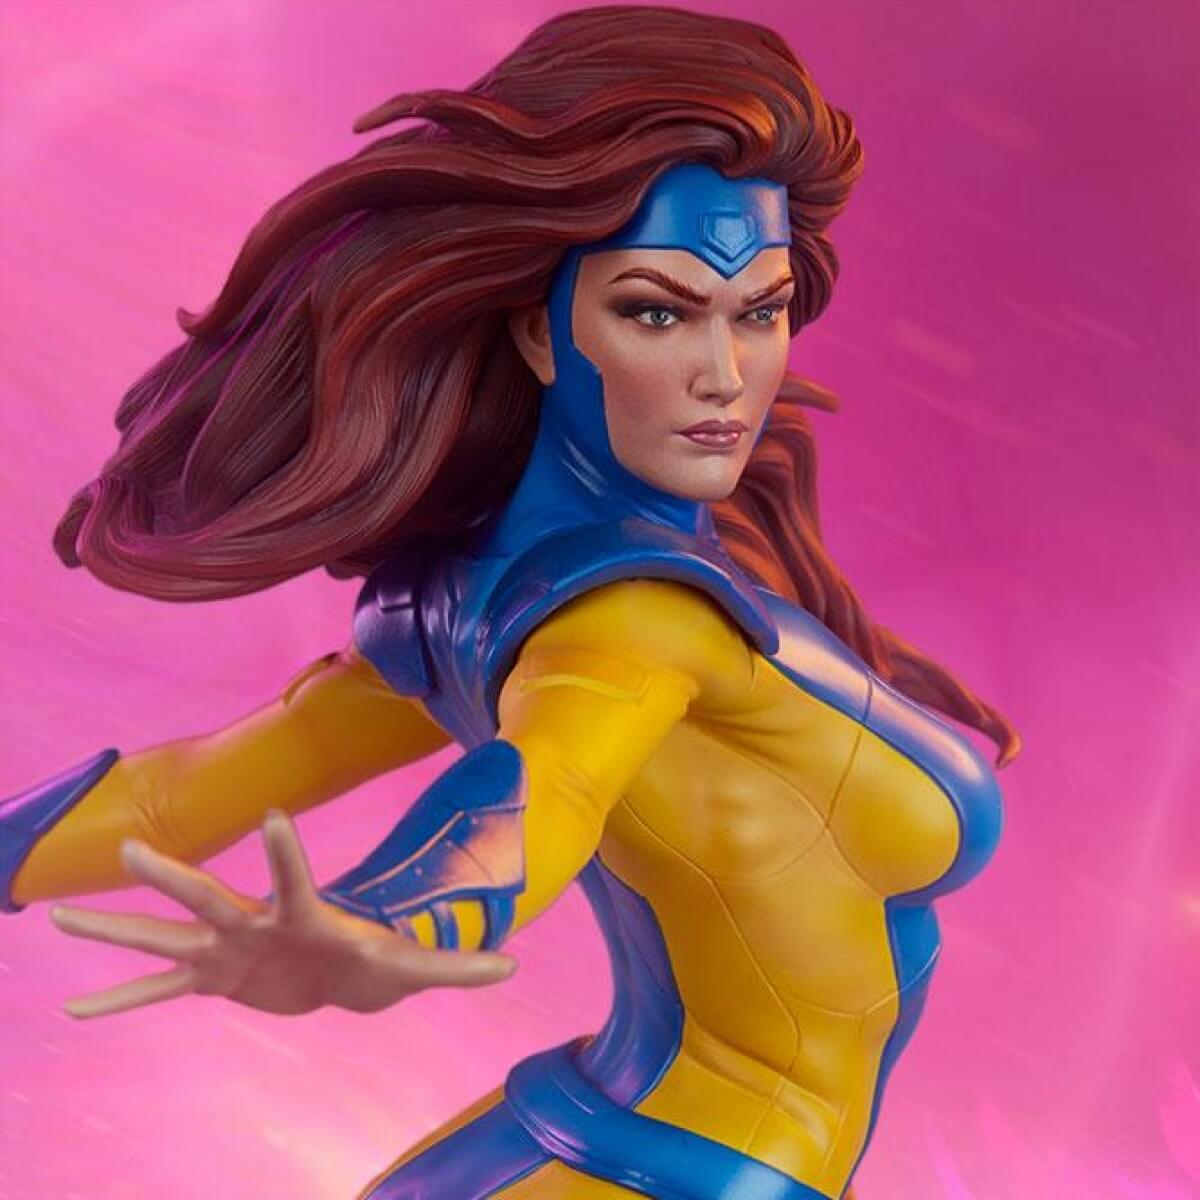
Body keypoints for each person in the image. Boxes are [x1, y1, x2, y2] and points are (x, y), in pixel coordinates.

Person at [0, 7, 1019, 1198]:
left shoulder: (461, 606)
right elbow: (547, 791)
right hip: (704, 1168)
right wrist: (378, 928)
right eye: (656, 311)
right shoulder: (628, 620)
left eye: (760, 311)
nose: (725, 375)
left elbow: (176, 798)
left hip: (581, 1122)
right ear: (539, 333)